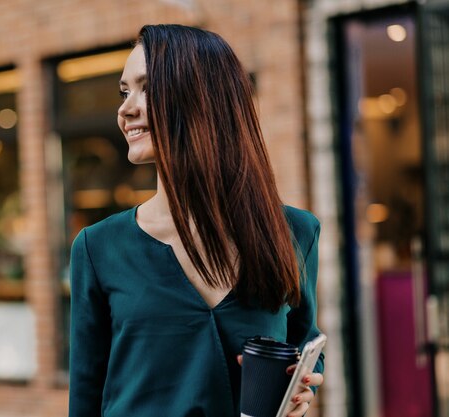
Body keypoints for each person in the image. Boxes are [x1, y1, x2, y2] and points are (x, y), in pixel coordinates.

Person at [68, 24, 324, 417]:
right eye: (124, 91)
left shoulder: (295, 232)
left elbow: (304, 348)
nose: (125, 108)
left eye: (146, 88)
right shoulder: (98, 248)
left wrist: (302, 390)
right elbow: (85, 398)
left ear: (205, 98)